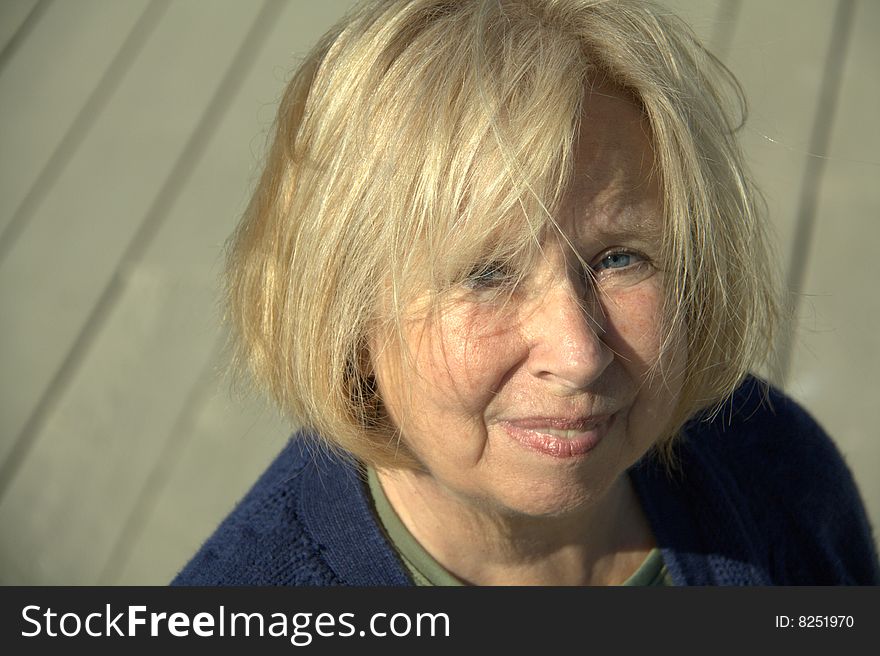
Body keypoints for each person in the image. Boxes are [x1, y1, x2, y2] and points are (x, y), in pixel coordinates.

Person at [173, 0, 879, 586]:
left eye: (619, 257)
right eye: (486, 274)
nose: (576, 353)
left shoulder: (775, 471)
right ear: (348, 317)